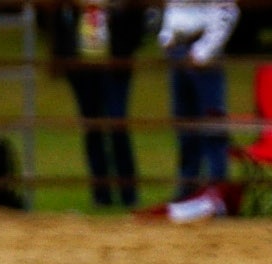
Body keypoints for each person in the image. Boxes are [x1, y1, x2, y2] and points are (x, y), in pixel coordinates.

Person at [59, 0, 144, 210]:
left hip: (114, 65)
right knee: (92, 130)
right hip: (82, 67)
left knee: (117, 124)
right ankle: (101, 195)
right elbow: (58, 18)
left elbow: (135, 15)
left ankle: (129, 194)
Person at [160, 0, 237, 201]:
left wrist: (204, 51)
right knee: (185, 126)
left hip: (204, 54)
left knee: (212, 125)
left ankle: (217, 191)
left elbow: (227, 11)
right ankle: (188, 189)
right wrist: (166, 37)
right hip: (178, 49)